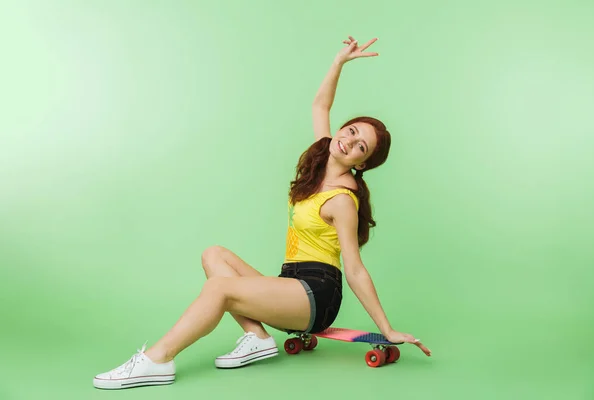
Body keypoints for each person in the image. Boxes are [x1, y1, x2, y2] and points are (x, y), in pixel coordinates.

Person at [92, 35, 431, 390]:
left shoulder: (342, 200)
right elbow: (320, 107)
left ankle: (157, 360)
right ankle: (258, 338)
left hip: (316, 295)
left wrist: (387, 328)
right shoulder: (321, 158)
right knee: (214, 255)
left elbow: (356, 270)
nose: (348, 141)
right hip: (291, 284)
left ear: (362, 163)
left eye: (360, 146)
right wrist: (339, 63)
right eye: (351, 131)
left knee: (221, 289)